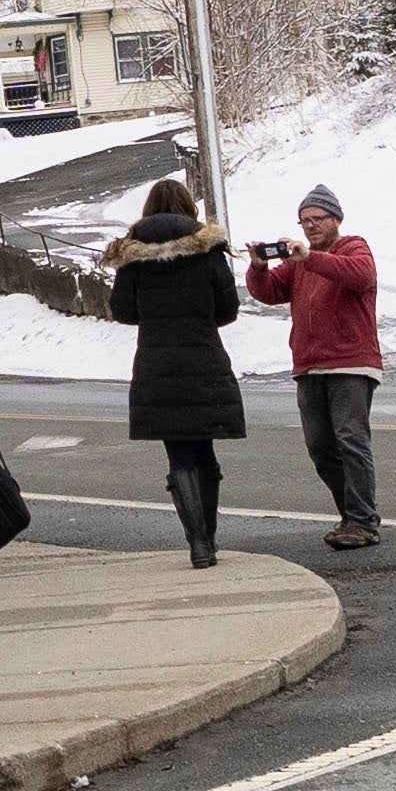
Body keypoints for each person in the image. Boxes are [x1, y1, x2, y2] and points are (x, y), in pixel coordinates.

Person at [106, 174, 245, 565]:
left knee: (179, 456)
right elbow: (228, 310)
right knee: (205, 450)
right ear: (189, 208)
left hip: (156, 363)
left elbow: (122, 311)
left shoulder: (133, 256)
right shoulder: (209, 250)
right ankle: (211, 537)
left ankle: (197, 543)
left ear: (147, 211)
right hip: (204, 359)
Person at [246, 182, 387, 551]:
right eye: (303, 221)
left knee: (350, 440)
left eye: (317, 219)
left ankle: (362, 520)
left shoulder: (353, 247)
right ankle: (350, 514)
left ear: (336, 219)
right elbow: (269, 292)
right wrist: (259, 268)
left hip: (350, 363)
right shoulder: (298, 263)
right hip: (309, 365)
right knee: (321, 446)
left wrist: (309, 257)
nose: (309, 226)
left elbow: (360, 275)